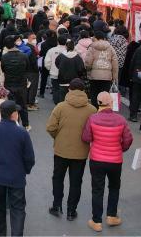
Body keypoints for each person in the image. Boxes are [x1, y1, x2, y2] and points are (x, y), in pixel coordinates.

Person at [81, 91, 133, 233]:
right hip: (115, 161)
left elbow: (86, 137)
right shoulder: (121, 120)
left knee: (97, 190)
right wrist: (120, 149)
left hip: (97, 160)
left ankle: (96, 221)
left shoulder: (92, 119)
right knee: (114, 187)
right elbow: (128, 140)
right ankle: (111, 216)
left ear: (98, 103)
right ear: (111, 103)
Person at [0, 100, 35, 236]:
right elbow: (29, 158)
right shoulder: (22, 133)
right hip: (16, 178)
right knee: (17, 209)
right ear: (14, 114)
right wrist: (25, 170)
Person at [46, 78, 96, 221]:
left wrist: (58, 137)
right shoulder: (92, 110)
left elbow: (50, 127)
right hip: (81, 152)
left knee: (58, 178)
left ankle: (56, 206)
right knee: (76, 182)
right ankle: (71, 211)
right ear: (83, 91)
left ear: (69, 89)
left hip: (61, 150)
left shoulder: (61, 107)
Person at [0, 36, 31, 129]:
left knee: (11, 105)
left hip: (9, 84)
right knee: (23, 104)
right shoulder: (24, 56)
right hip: (21, 84)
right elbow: (27, 68)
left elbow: (3, 69)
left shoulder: (4, 57)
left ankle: (14, 124)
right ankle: (26, 124)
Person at [47, 37, 86, 105]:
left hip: (63, 78)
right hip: (74, 79)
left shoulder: (61, 56)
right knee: (74, 95)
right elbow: (81, 68)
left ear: (66, 46)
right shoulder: (77, 57)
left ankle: (62, 108)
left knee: (62, 96)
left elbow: (57, 64)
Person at [84, 30, 118, 106]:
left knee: (94, 94)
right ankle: (102, 112)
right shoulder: (110, 48)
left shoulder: (92, 47)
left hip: (94, 76)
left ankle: (95, 111)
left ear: (95, 37)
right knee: (104, 96)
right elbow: (115, 64)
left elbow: (88, 62)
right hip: (107, 77)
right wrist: (114, 77)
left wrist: (88, 70)